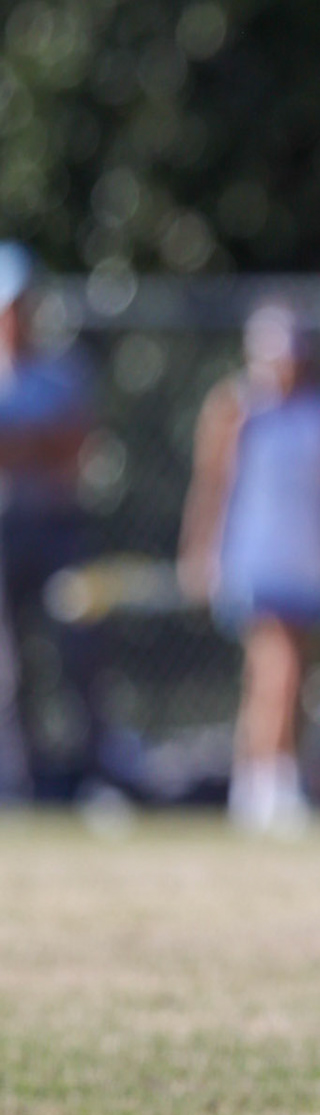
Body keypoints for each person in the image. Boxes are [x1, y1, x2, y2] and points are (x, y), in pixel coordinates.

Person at [178, 302, 320, 834]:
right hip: (255, 557)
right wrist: (200, 550)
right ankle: (271, 783)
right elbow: (212, 486)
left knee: (293, 673)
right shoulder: (236, 407)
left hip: (310, 556)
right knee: (277, 667)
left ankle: (258, 779)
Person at [0, 243, 102, 795]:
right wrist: (39, 441)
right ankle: (19, 782)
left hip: (60, 524)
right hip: (4, 530)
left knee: (80, 651)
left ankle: (92, 774)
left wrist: (20, 444)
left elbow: (76, 445)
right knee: (10, 667)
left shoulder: (65, 372)